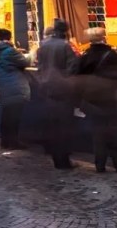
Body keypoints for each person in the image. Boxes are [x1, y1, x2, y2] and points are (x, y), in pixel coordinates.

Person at [76, 28, 117, 173]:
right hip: (114, 101)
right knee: (116, 135)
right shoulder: (114, 55)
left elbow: (78, 78)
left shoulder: (85, 57)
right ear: (104, 38)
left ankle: (100, 165)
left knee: (98, 135)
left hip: (94, 102)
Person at [37, 18, 79, 169]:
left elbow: (39, 65)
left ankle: (56, 158)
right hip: (62, 90)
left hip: (47, 89)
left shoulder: (43, 45)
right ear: (65, 31)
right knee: (64, 126)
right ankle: (64, 160)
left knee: (53, 125)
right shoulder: (65, 46)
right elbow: (73, 66)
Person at [0, 28, 30, 150]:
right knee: (14, 116)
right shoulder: (10, 51)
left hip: (3, 86)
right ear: (9, 38)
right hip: (14, 86)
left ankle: (5, 141)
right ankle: (13, 142)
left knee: (6, 114)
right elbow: (26, 62)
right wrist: (33, 52)